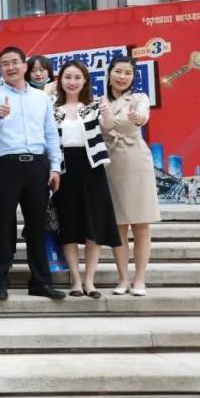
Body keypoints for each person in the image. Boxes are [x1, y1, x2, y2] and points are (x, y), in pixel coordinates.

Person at [0, 46, 65, 301]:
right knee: (3, 224)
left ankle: (41, 281)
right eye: (5, 64)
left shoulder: (41, 98)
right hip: (5, 165)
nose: (10, 67)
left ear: (24, 65)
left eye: (14, 62)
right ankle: (0, 280)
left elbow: (51, 134)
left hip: (37, 166)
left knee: (37, 226)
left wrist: (55, 167)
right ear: (0, 69)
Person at [51, 60, 120, 298]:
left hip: (92, 169)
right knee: (68, 225)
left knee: (94, 225)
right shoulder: (52, 107)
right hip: (63, 170)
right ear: (60, 80)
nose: (72, 82)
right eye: (67, 77)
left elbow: (108, 126)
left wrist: (107, 112)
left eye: (77, 77)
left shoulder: (93, 105)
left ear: (85, 81)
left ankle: (90, 281)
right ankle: (76, 281)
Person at [102, 55, 161, 297]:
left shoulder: (138, 98)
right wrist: (118, 122)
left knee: (141, 224)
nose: (122, 77)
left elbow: (140, 117)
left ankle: (139, 279)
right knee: (118, 226)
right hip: (110, 164)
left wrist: (136, 119)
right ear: (109, 74)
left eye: (128, 73)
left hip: (136, 162)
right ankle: (123, 278)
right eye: (118, 71)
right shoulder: (99, 100)